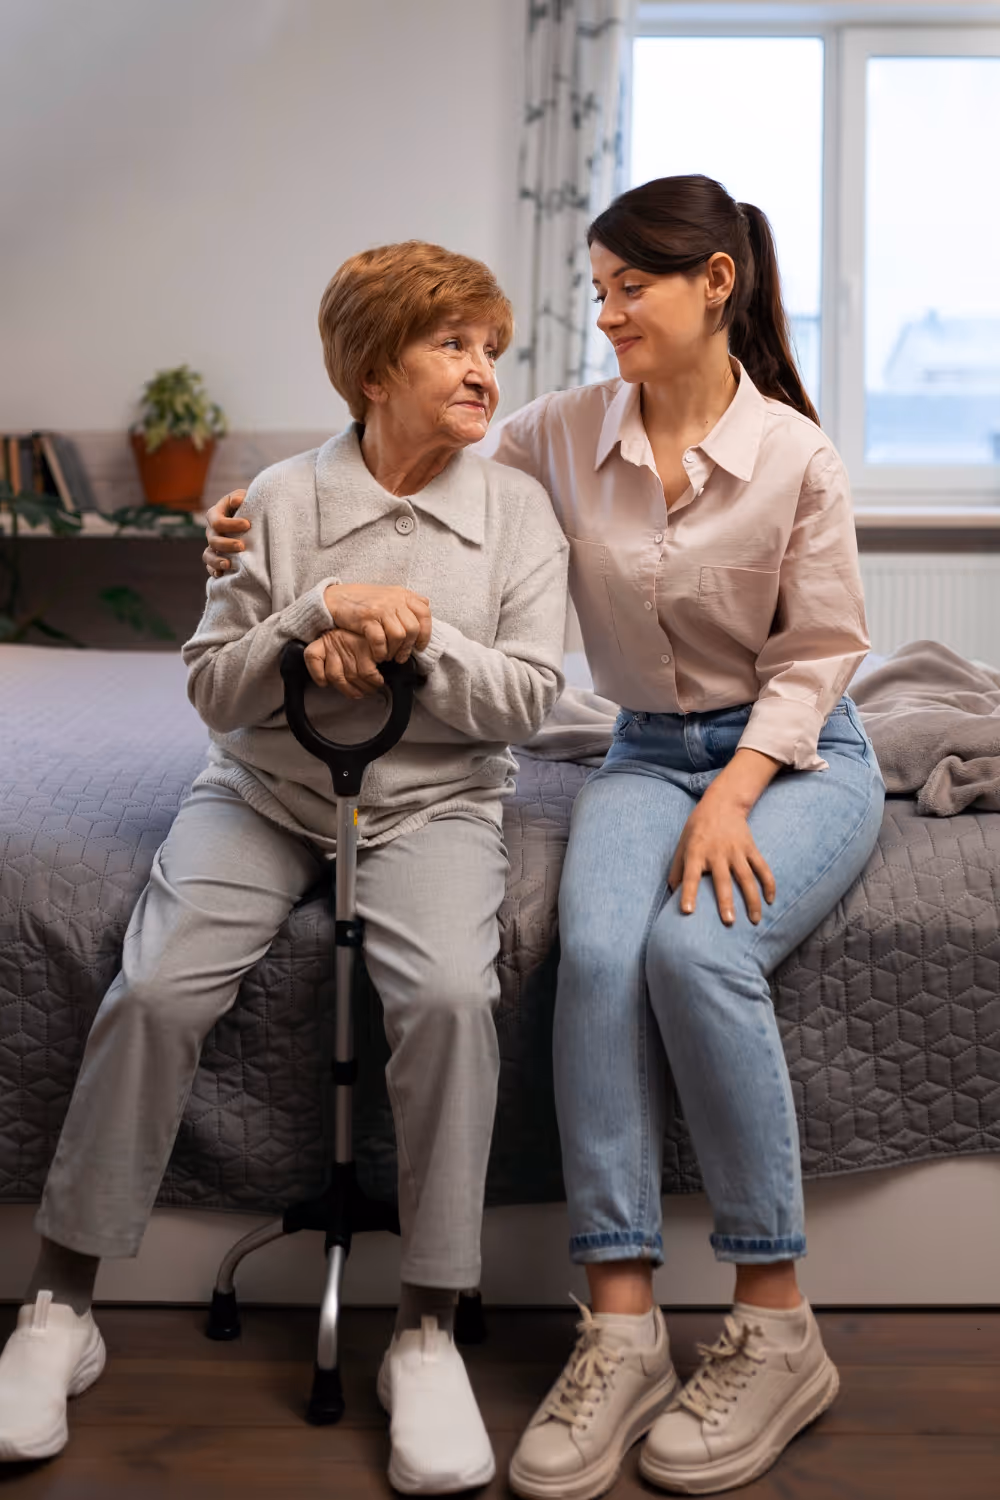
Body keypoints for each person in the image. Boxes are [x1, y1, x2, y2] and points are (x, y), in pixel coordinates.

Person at [205, 176, 884, 1497]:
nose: (606, 310)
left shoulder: (797, 455)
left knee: (697, 957)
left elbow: (824, 655)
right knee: (592, 958)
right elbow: (399, 469)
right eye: (598, 289)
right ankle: (620, 1327)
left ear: (714, 287)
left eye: (630, 286)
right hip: (638, 753)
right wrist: (249, 537)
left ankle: (775, 1318)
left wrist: (738, 793)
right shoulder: (560, 434)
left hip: (793, 758)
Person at [0, 241, 569, 1495]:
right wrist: (312, 615)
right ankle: (60, 1308)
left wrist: (415, 644)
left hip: (431, 808)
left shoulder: (519, 511)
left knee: (453, 1001)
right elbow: (209, 687)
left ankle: (425, 1328)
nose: (484, 373)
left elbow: (530, 699)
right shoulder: (274, 500)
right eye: (454, 346)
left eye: (492, 350)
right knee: (153, 990)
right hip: (262, 792)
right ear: (374, 369)